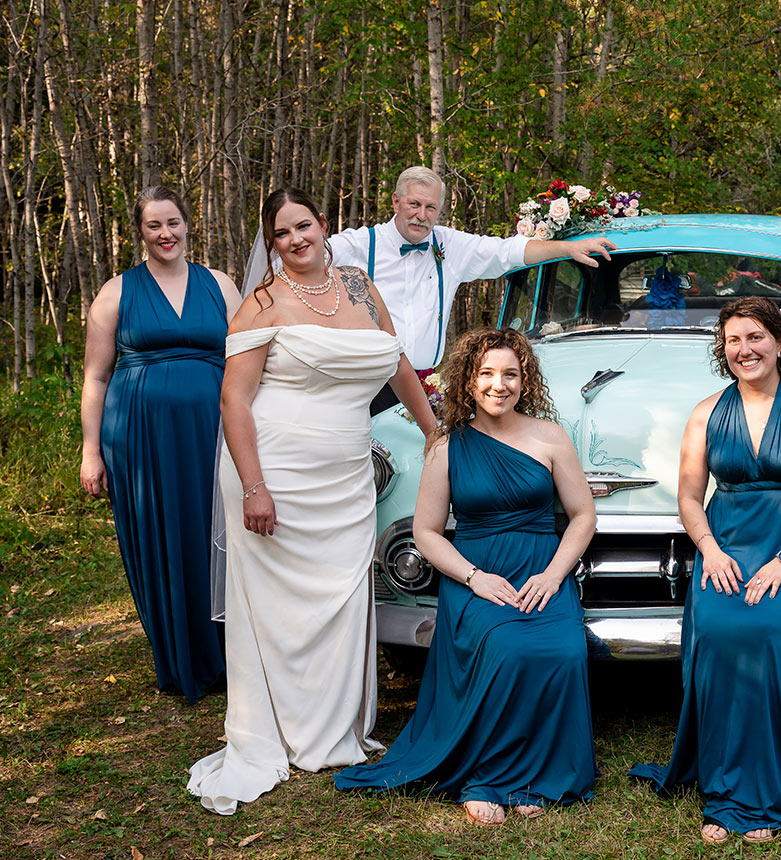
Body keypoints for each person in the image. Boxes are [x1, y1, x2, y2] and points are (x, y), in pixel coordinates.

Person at [187, 188, 438, 814]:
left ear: (323, 225)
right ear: (271, 244)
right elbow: (234, 401)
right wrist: (254, 486)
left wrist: (434, 429)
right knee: (277, 605)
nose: (296, 239)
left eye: (303, 226)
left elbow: (397, 362)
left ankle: (332, 730)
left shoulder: (358, 286)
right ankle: (276, 725)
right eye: (282, 233)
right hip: (276, 469)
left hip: (348, 473)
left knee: (344, 593)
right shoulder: (262, 304)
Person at [335, 328, 596, 826]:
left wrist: (552, 576)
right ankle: (489, 775)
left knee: (562, 651)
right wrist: (475, 578)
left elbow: (583, 515)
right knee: (504, 648)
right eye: (487, 374)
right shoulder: (446, 445)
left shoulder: (550, 436)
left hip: (542, 570)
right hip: (477, 574)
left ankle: (537, 772)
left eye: (511, 375)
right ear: (469, 383)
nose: (500, 385)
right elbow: (429, 533)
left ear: (526, 381)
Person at [631, 297, 781, 844]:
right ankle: (723, 779)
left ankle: (767, 787)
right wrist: (710, 549)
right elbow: (688, 495)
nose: (744, 350)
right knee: (721, 635)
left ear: (780, 342)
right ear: (722, 349)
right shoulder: (706, 411)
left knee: (768, 632)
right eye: (732, 340)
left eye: (755, 337)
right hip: (724, 545)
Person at [79, 186, 241, 703]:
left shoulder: (220, 285)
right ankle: (179, 655)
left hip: (214, 434)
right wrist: (90, 451)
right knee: (160, 536)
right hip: (140, 439)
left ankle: (229, 650)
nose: (165, 234)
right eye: (154, 226)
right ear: (140, 232)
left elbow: (251, 360)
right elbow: (96, 377)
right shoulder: (115, 293)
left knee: (215, 532)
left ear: (187, 224)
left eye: (173, 222)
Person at [326, 166, 617, 413]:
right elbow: (301, 257)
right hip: (366, 386)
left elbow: (506, 252)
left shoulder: (448, 245)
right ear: (396, 202)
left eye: (430, 207)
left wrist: (567, 247)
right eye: (414, 204)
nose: (422, 215)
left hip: (424, 388)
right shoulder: (360, 244)